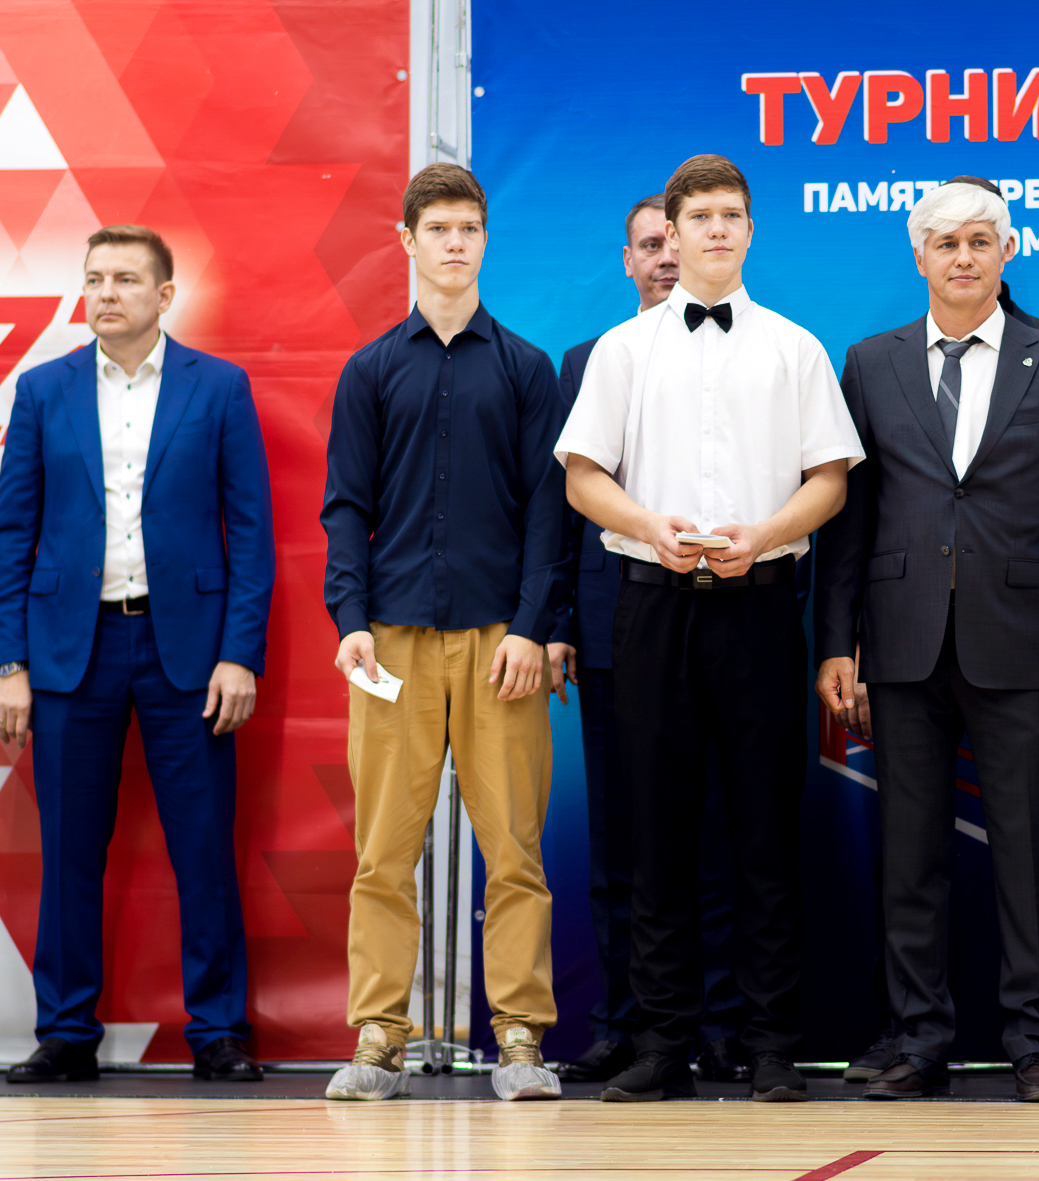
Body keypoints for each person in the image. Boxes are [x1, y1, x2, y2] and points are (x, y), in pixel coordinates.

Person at [557, 153, 861, 1103]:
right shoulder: (623, 350)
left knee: (767, 832)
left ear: (750, 231)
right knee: (655, 833)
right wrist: (648, 525)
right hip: (651, 605)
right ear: (673, 233)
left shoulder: (795, 349)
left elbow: (830, 480)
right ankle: (662, 1043)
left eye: (732, 215)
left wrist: (763, 535)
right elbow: (582, 475)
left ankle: (771, 1045)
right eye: (701, 218)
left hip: (762, 605)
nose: (718, 230)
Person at [814, 181, 1039, 1102]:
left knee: (1032, 853)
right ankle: (917, 1038)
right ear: (920, 257)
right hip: (901, 645)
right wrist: (835, 643)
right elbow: (849, 523)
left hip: (1025, 648)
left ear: (1006, 251)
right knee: (909, 856)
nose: (963, 257)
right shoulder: (870, 363)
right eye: (945, 243)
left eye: (981, 240)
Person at [0, 225, 274, 1085]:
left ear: (164, 295)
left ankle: (218, 1030)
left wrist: (240, 653)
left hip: (187, 653)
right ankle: (65, 1032)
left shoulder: (219, 387)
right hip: (68, 652)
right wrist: (10, 663)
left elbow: (251, 532)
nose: (106, 292)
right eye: (95, 278)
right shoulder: (42, 390)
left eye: (125, 278)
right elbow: (12, 533)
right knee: (69, 851)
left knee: (203, 847)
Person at [320, 164, 568, 1102]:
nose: (454, 243)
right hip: (390, 639)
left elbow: (548, 512)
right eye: (438, 229)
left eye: (469, 228)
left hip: (503, 640)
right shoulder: (372, 369)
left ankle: (520, 1039)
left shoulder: (527, 368)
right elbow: (347, 506)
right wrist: (350, 620)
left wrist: (534, 629)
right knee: (384, 850)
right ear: (407, 241)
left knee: (515, 848)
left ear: (485, 240)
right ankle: (379, 1035)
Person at [553, 193, 750, 1086]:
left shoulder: (761, 348)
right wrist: (558, 625)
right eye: (652, 243)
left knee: (720, 834)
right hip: (612, 628)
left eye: (679, 238)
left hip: (730, 618)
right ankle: (625, 1023)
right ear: (629, 260)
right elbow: (562, 505)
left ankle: (722, 1023)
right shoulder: (591, 359)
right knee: (622, 842)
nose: (669, 254)